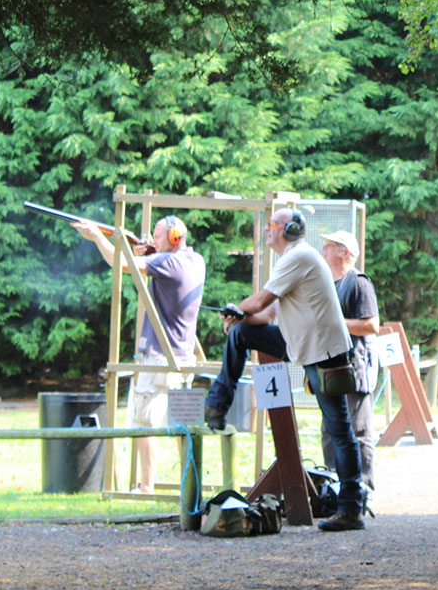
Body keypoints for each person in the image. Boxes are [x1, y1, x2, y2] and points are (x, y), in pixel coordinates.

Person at [202, 208, 366, 532]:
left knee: (339, 429)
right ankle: (217, 403)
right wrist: (238, 319)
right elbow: (265, 314)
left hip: (323, 352)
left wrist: (237, 310)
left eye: (272, 224)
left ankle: (351, 509)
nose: (267, 229)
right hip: (303, 346)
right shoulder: (290, 261)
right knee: (241, 333)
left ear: (288, 229)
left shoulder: (298, 256)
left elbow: (260, 301)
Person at [73, 216, 205, 495]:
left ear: (172, 238)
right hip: (183, 357)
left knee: (144, 423)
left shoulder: (166, 263)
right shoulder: (195, 261)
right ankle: (191, 486)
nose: (152, 241)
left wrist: (98, 236)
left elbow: (120, 264)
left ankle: (146, 486)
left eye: (156, 237)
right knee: (185, 424)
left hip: (158, 356)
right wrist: (146, 252)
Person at [319, 230, 380, 492]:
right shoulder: (326, 284)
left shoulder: (359, 283)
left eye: (329, 245)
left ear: (345, 252)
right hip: (329, 369)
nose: (323, 248)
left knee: (359, 431)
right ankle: (334, 486)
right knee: (329, 431)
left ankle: (364, 488)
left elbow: (371, 324)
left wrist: (337, 324)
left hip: (355, 370)